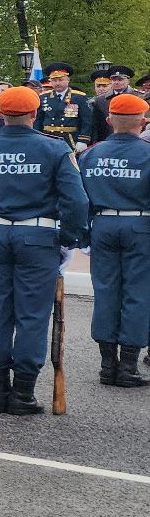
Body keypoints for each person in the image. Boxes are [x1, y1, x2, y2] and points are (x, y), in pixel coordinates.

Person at [0, 85, 89, 414]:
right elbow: (76, 200)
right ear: (34, 114)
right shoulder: (55, 148)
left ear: (0, 114)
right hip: (38, 236)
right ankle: (22, 393)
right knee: (32, 314)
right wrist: (69, 239)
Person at [80, 93, 150, 385]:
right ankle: (128, 366)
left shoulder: (90, 154)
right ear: (143, 122)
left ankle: (107, 364)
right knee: (138, 293)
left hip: (102, 224)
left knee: (106, 291)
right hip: (141, 225)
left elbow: (80, 197)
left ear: (109, 120)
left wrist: (84, 233)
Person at [37, 61, 94, 150]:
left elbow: (86, 121)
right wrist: (37, 138)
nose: (57, 83)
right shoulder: (43, 97)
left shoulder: (79, 97)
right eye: (54, 80)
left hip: (70, 139)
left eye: (60, 80)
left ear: (68, 80)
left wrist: (83, 140)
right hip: (48, 139)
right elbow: (38, 120)